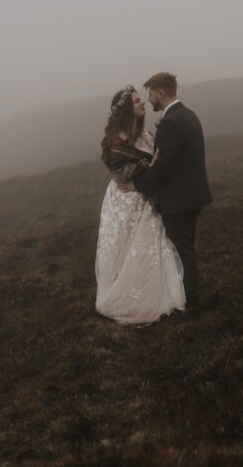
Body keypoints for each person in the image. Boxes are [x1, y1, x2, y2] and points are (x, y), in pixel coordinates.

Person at [95, 84, 186, 325]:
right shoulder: (117, 139)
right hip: (125, 199)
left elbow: (155, 159)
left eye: (141, 100)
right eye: (136, 101)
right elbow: (120, 173)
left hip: (145, 196)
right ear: (126, 108)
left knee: (149, 243)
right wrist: (149, 165)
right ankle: (126, 295)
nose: (142, 103)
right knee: (126, 246)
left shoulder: (145, 134)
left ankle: (153, 291)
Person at [119, 73, 212, 308]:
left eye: (150, 93)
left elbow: (164, 166)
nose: (149, 100)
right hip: (193, 194)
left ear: (161, 92)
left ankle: (190, 299)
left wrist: (136, 185)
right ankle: (187, 294)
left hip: (179, 198)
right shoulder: (188, 115)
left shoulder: (171, 122)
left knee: (182, 251)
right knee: (185, 247)